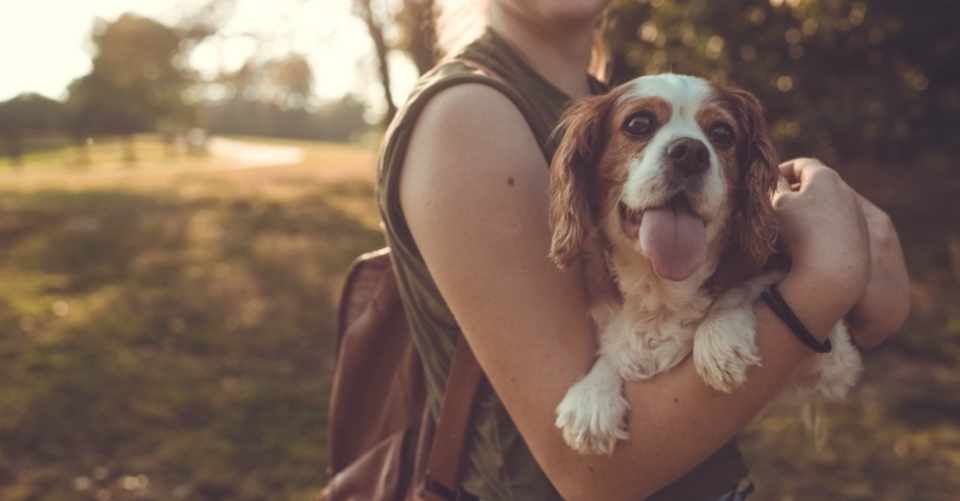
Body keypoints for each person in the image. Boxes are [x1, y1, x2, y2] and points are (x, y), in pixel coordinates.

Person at [376, 1, 911, 499]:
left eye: (716, 135)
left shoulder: (610, 93)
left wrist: (860, 273)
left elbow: (868, 320)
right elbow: (591, 471)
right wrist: (826, 281)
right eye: (638, 126)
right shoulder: (468, 115)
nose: (684, 147)